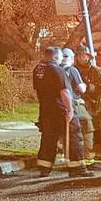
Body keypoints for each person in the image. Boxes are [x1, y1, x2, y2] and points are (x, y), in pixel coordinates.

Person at [32, 43, 72, 176]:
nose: (62, 60)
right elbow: (64, 91)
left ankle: (44, 167)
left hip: (45, 108)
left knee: (48, 138)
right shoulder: (57, 69)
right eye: (61, 57)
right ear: (55, 57)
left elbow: (38, 91)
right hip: (58, 108)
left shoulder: (38, 69)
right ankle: (77, 166)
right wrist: (70, 109)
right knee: (73, 134)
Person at [59, 48, 94, 175]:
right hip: (74, 105)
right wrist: (85, 85)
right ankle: (83, 162)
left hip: (58, 107)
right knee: (84, 131)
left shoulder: (54, 70)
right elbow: (81, 89)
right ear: (72, 58)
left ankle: (69, 160)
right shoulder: (72, 70)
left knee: (65, 135)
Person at [75, 45, 101, 164]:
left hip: (95, 105)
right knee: (84, 130)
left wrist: (89, 87)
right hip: (81, 104)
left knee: (97, 129)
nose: (82, 58)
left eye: (84, 55)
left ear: (88, 56)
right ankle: (86, 153)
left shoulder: (95, 70)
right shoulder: (74, 70)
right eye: (80, 56)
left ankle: (100, 152)